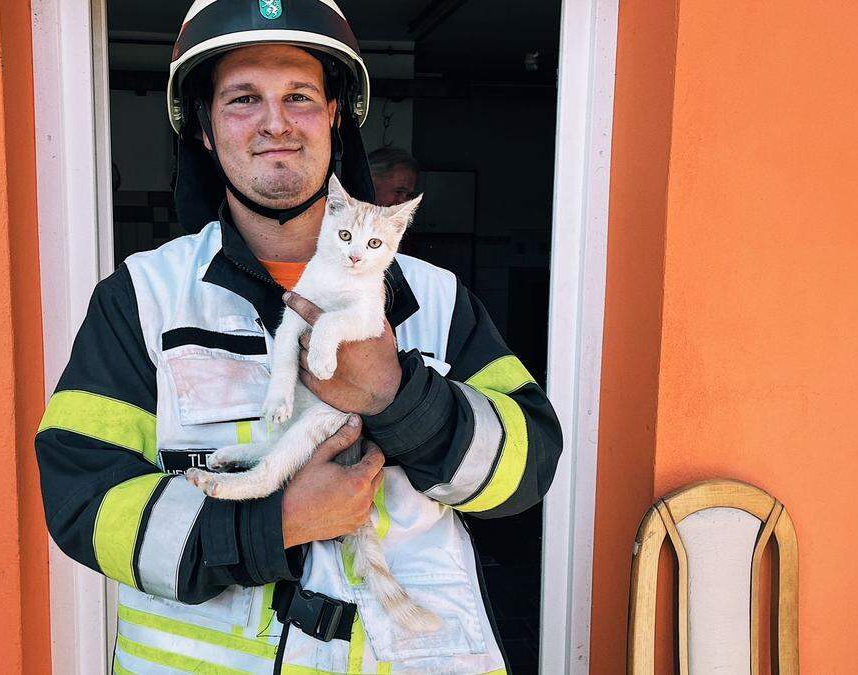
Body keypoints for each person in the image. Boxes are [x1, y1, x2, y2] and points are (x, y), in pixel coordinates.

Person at [34, 1, 563, 672]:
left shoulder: (434, 296)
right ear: (202, 127)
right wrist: (271, 523)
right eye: (243, 98)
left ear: (337, 116)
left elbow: (528, 465)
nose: (275, 123)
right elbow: (84, 501)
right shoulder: (139, 299)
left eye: (301, 97)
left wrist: (400, 399)